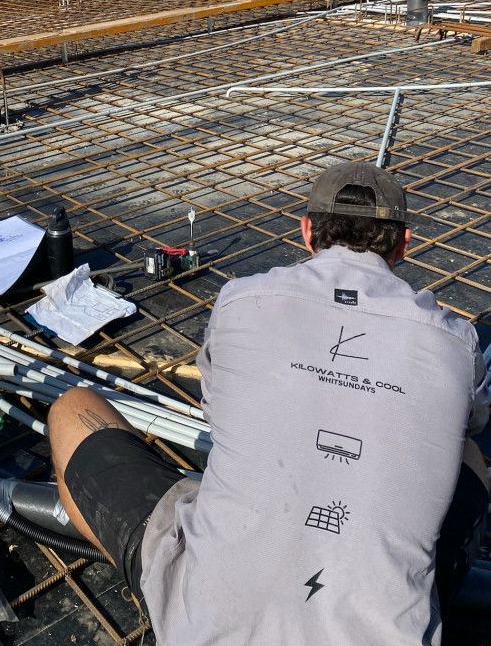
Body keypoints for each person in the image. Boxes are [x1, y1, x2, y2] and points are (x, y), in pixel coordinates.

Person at [48, 162, 489, 645]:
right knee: (468, 454)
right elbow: (470, 422)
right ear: (405, 243)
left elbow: (218, 412)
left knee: (73, 408)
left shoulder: (241, 300)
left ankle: (162, 585)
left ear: (306, 232)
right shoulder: (456, 340)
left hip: (206, 627)